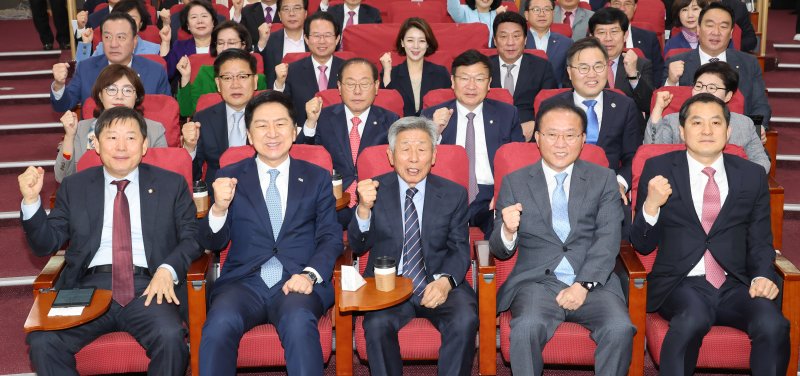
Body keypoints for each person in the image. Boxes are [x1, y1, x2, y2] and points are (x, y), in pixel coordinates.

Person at [21, 106, 202, 376]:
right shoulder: (75, 186)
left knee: (170, 337)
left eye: (130, 137)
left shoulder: (171, 184)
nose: (121, 146)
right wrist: (32, 201)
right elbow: (46, 244)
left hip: (150, 285)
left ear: (144, 145)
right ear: (96, 144)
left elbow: (192, 238)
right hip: (87, 287)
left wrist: (168, 269)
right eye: (111, 137)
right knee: (43, 341)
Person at [630, 93, 789, 375]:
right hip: (680, 283)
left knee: (773, 324)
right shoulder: (659, 169)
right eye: (697, 122)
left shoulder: (751, 175)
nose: (707, 130)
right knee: (693, 318)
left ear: (728, 131)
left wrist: (763, 275)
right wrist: (651, 205)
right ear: (682, 130)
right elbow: (641, 245)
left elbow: (761, 239)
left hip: (735, 284)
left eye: (716, 123)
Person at [197, 91, 343, 375]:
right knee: (218, 323)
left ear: (295, 129)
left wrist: (310, 275)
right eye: (262, 126)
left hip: (298, 280)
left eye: (280, 124)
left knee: (299, 321)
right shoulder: (228, 176)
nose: (272, 133)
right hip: (244, 282)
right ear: (249, 135)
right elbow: (212, 241)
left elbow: (331, 236)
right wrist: (218, 208)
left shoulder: (318, 177)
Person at [489, 101, 635, 375]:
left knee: (619, 329)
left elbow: (608, 238)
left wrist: (583, 285)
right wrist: (507, 231)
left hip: (594, 282)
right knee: (526, 328)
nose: (560, 143)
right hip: (537, 283)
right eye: (552, 134)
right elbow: (499, 250)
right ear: (538, 137)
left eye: (570, 135)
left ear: (582, 140)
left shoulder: (603, 179)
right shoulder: (515, 181)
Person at [349, 117, 478, 376]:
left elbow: (459, 247)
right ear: (391, 155)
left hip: (438, 280)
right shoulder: (374, 190)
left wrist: (445, 282)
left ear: (433, 156)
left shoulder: (453, 194)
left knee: (465, 319)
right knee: (376, 326)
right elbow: (357, 244)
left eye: (422, 149)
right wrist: (363, 208)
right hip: (388, 286)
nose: (413, 158)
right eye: (405, 149)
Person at [422, 49, 525, 236]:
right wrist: (434, 130)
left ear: (489, 84)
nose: (471, 86)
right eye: (464, 78)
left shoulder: (507, 114)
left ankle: (494, 265)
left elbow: (518, 162)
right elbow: (418, 162)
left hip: (491, 195)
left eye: (479, 79)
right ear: (453, 82)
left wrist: (503, 193)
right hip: (446, 195)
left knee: (504, 230)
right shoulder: (432, 116)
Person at [297, 58, 399, 227]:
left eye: (364, 84)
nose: (357, 91)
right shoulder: (323, 118)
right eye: (350, 84)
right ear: (339, 87)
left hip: (376, 204)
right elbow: (303, 158)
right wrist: (310, 123)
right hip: (332, 203)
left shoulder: (391, 121)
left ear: (376, 87)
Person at [541, 37, 643, 203]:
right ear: (569, 72)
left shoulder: (625, 106)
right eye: (583, 68)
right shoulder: (551, 107)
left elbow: (633, 156)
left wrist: (620, 183)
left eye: (598, 66)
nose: (592, 74)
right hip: (559, 187)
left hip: (608, 190)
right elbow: (538, 153)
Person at [645, 61, 769, 172]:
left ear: (728, 96)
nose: (703, 92)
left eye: (712, 87)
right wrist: (657, 111)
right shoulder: (673, 121)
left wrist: (737, 180)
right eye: (699, 86)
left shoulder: (744, 124)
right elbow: (652, 154)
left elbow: (761, 162)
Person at [663, 2, 772, 127]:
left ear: (731, 33)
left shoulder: (749, 63)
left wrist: (758, 129)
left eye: (724, 27)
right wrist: (671, 82)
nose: (716, 32)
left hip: (739, 136)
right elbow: (663, 107)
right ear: (698, 29)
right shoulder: (676, 62)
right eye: (710, 25)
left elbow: (760, 105)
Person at [55, 65, 168, 183]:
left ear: (136, 97)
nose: (119, 96)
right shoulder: (81, 129)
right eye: (112, 89)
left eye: (127, 90)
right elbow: (61, 176)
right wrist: (69, 137)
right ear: (100, 95)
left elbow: (161, 178)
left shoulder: (155, 130)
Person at [50, 13, 172, 113]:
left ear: (135, 41)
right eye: (107, 37)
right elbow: (62, 106)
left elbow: (166, 112)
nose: (113, 44)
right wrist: (59, 86)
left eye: (121, 37)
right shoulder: (85, 68)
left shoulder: (155, 71)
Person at [181, 49, 260, 198]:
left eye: (243, 76)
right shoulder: (204, 118)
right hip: (216, 199)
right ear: (218, 83)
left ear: (255, 81)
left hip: (260, 195)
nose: (235, 85)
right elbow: (192, 175)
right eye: (228, 78)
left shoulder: (270, 117)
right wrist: (189, 148)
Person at [490, 11, 558, 140]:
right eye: (503, 36)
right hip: (490, 131)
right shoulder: (484, 67)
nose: (510, 42)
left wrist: (536, 124)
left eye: (516, 36)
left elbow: (552, 106)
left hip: (530, 133)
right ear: (494, 40)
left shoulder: (542, 67)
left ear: (525, 39)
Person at [175, 21, 268, 116]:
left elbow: (263, 112)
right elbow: (186, 111)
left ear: (243, 45)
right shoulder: (205, 73)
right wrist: (185, 77)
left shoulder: (256, 78)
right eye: (220, 43)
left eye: (231, 42)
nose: (225, 48)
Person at [274, 11, 344, 125]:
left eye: (327, 35)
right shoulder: (292, 71)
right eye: (316, 35)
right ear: (306, 39)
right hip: (304, 137)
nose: (322, 41)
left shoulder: (349, 70)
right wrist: (279, 84)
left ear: (337, 39)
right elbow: (280, 108)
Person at [587, 7, 654, 116]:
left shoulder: (641, 64)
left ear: (625, 36)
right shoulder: (580, 66)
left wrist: (633, 74)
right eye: (602, 32)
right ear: (592, 36)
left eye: (614, 32)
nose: (608, 38)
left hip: (630, 128)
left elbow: (648, 105)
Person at [378, 17, 452, 117]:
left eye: (421, 41)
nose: (416, 46)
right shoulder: (390, 73)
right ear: (402, 43)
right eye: (410, 40)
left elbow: (450, 106)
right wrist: (387, 71)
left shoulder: (441, 73)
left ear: (427, 44)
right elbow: (386, 108)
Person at [76, 0, 168, 61]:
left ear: (140, 24)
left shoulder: (153, 50)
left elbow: (162, 75)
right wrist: (86, 44)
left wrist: (166, 43)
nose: (126, 23)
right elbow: (82, 74)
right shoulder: (102, 47)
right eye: (122, 18)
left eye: (132, 19)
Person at [606, 0, 664, 85]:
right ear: (609, 6)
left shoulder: (649, 38)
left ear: (635, 7)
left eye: (627, 3)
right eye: (617, 3)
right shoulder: (599, 37)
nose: (622, 8)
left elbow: (658, 74)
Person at [259, 0, 309, 88]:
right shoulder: (269, 40)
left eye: (297, 8)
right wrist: (261, 43)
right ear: (279, 15)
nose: (292, 13)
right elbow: (258, 65)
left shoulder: (316, 40)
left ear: (305, 13)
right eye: (286, 9)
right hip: (278, 96)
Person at [164, 0, 219, 80]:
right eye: (194, 17)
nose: (200, 21)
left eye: (204, 16)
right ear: (188, 25)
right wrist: (165, 42)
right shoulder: (179, 47)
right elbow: (166, 74)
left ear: (213, 22)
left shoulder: (222, 45)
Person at [524, 0, 574, 85]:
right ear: (526, 15)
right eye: (536, 9)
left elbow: (568, 78)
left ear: (553, 14)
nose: (542, 14)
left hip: (556, 95)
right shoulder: (517, 41)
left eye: (547, 9)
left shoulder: (566, 43)